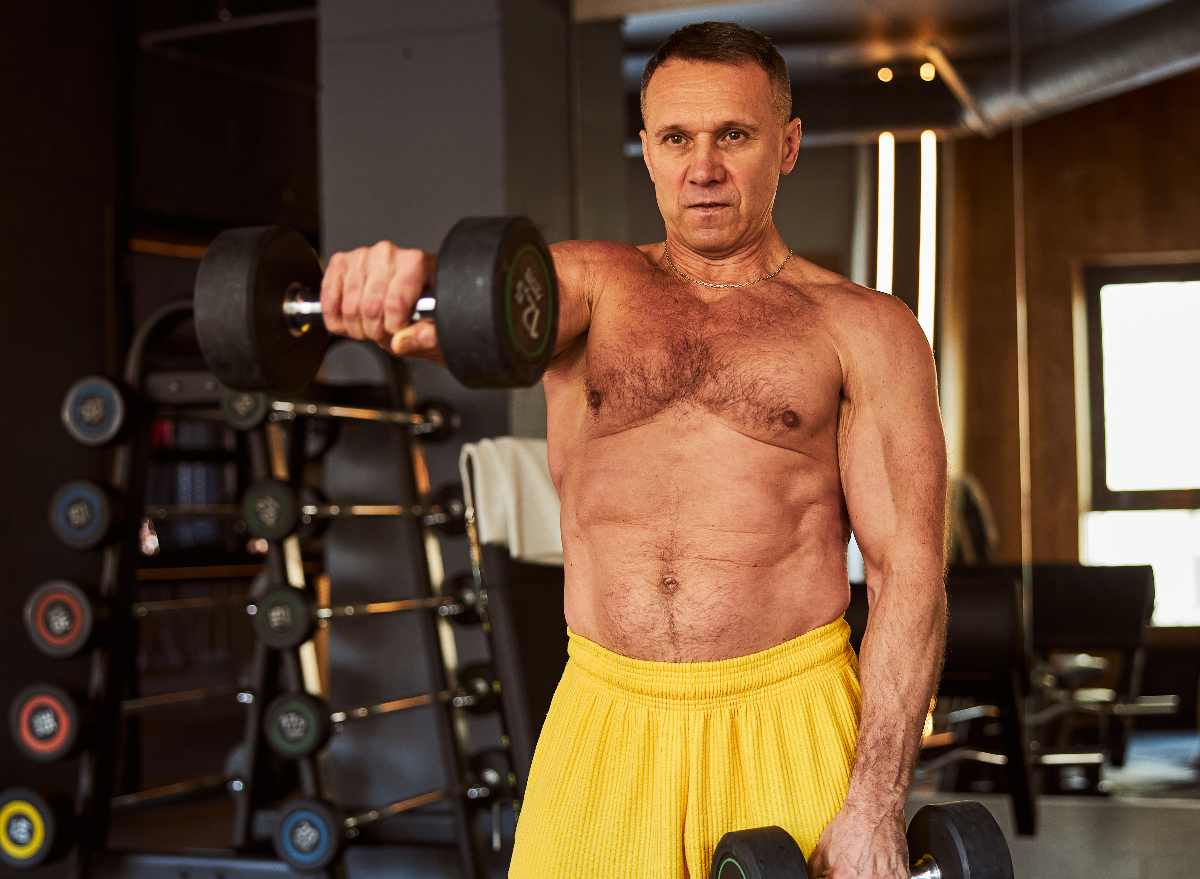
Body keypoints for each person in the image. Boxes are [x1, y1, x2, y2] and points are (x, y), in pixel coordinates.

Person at [319, 21, 947, 879]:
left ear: (788, 145)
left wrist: (875, 799)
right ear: (646, 151)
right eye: (676, 138)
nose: (704, 166)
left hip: (789, 715)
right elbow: (477, 305)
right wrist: (400, 279)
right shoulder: (592, 285)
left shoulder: (864, 330)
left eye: (734, 134)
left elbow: (910, 567)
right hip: (604, 721)